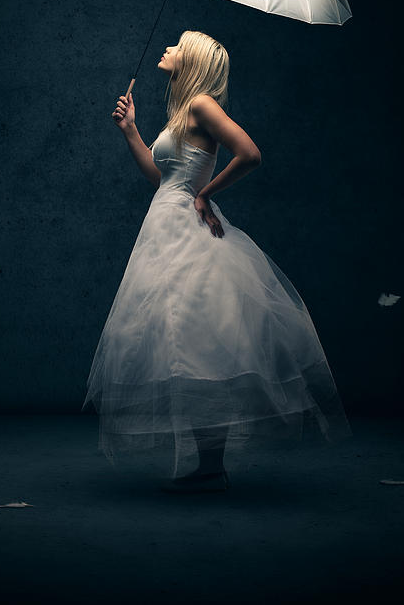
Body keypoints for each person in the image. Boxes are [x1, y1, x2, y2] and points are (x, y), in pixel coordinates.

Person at [81, 30, 352, 493]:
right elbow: (160, 177)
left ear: (194, 60)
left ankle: (211, 466)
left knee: (200, 339)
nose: (166, 49)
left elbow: (250, 154)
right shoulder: (182, 112)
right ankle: (209, 467)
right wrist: (131, 132)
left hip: (187, 232)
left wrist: (205, 193)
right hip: (164, 229)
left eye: (176, 45)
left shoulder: (204, 104)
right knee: (182, 340)